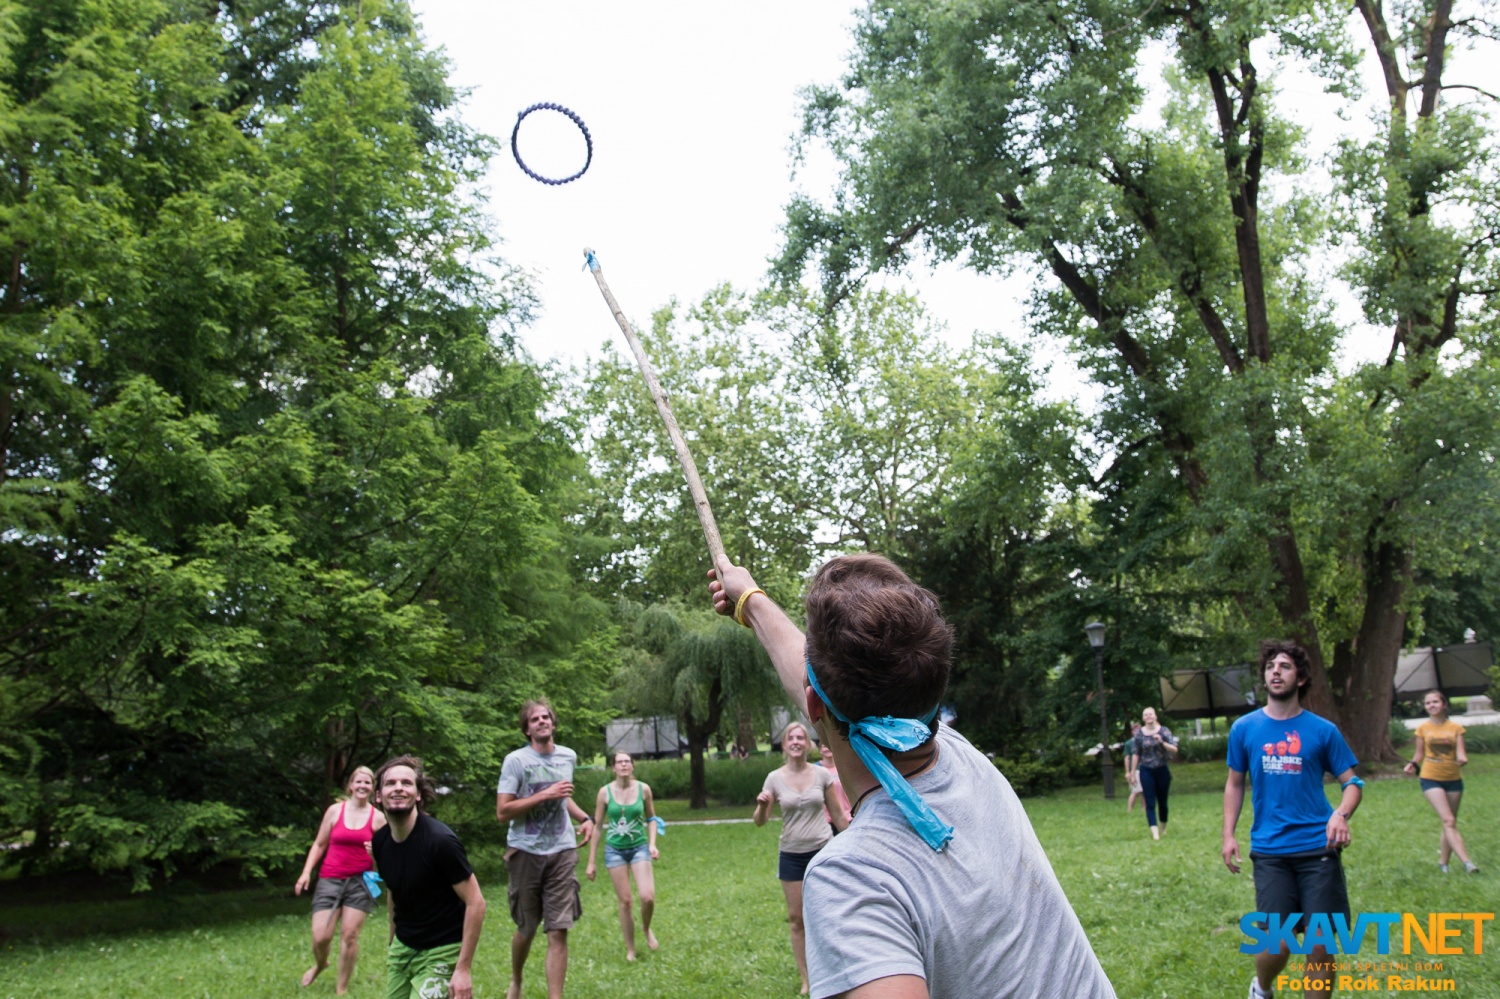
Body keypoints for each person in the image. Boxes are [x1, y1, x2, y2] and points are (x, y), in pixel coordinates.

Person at [710, 553, 1115, 999]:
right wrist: (751, 601)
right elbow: (813, 684)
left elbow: (818, 689)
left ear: (814, 707)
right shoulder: (962, 755)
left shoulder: (854, 878)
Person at [1223, 640, 1362, 999]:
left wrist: (1341, 814)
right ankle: (1262, 987)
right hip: (1271, 852)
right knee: (1278, 943)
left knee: (1320, 947)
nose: (1275, 671)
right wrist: (1228, 834)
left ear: (1300, 678)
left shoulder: (1322, 730)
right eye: (1270, 666)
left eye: (1284, 666)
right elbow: (1235, 783)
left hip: (1319, 849)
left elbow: (1353, 783)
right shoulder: (1244, 728)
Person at [496, 699, 595, 999]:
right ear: (527, 729)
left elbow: (562, 797)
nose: (541, 721)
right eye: (534, 719)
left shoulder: (568, 756)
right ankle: (516, 979)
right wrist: (544, 795)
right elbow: (503, 811)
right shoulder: (516, 761)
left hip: (562, 851)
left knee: (558, 929)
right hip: (525, 852)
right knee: (526, 927)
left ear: (553, 723)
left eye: (546, 717)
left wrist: (584, 818)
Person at [370, 755, 487, 999]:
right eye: (390, 783)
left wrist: (463, 969)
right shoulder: (380, 841)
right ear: (379, 796)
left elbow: (476, 902)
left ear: (418, 794)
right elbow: (394, 891)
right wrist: (392, 942)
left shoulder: (440, 841)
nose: (399, 788)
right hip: (403, 948)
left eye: (406, 783)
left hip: (442, 949)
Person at [754, 720, 850, 994]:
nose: (796, 742)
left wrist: (856, 840)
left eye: (800, 737)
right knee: (797, 919)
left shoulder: (822, 776)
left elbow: (839, 817)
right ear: (784, 745)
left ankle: (836, 969)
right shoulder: (774, 778)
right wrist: (761, 806)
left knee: (829, 914)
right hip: (791, 855)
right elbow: (760, 821)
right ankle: (807, 977)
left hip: (822, 851)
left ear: (808, 744)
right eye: (791, 738)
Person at [294, 766, 387, 993]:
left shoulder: (378, 818)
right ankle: (320, 964)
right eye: (359, 781)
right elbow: (319, 844)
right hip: (330, 879)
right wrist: (306, 872)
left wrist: (376, 852)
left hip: (361, 882)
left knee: (350, 935)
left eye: (367, 782)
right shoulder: (335, 811)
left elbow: (389, 854)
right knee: (320, 937)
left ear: (373, 789)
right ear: (351, 785)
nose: (362, 786)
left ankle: (341, 989)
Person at [585, 751, 660, 960]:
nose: (624, 765)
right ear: (613, 767)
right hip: (615, 851)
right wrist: (591, 862)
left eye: (627, 761)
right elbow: (597, 827)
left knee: (647, 897)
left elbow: (652, 819)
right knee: (625, 902)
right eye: (619, 762)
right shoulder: (605, 792)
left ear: (633, 766)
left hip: (639, 847)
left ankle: (646, 928)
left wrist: (652, 844)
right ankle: (631, 949)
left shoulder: (644, 789)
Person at [1403, 690, 1479, 874]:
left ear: (1444, 704)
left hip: (1453, 779)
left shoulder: (1456, 728)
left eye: (1435, 702)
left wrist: (1462, 759)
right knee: (1448, 819)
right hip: (1430, 778)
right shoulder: (1422, 728)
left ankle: (1443, 864)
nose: (1431, 705)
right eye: (1428, 703)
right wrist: (1412, 764)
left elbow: (1461, 753)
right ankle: (1468, 863)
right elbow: (1419, 754)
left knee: (1449, 823)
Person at [1136, 707, 1178, 839]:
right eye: (1145, 714)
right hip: (1146, 769)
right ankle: (1155, 833)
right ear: (1143, 718)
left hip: (1162, 769)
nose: (1148, 716)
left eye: (1150, 714)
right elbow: (1136, 753)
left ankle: (1163, 826)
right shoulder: (1139, 734)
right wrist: (1131, 772)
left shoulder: (1164, 731)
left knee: (1162, 801)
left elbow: (1174, 749)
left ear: (1155, 716)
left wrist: (1162, 742)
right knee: (1150, 801)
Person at [816, 740, 852, 837]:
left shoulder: (843, 766)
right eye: (824, 746)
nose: (827, 748)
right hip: (826, 819)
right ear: (820, 750)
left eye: (828, 745)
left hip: (848, 815)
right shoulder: (816, 769)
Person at [1122, 722, 1143, 813]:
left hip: (1144, 768)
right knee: (1135, 791)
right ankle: (1129, 810)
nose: (1137, 732)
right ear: (1132, 732)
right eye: (1135, 730)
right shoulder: (1129, 743)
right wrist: (1128, 772)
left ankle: (1144, 810)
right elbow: (1127, 758)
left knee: (1144, 792)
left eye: (1139, 730)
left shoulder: (1143, 741)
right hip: (1135, 770)